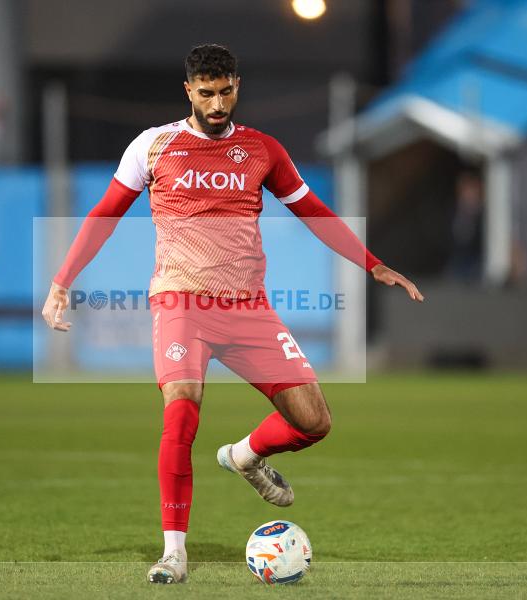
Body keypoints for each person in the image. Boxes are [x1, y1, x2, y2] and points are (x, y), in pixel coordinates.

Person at [41, 44, 423, 584]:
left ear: (236, 86)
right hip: (181, 303)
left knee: (314, 422)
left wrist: (373, 264)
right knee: (181, 412)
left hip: (248, 309)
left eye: (225, 92)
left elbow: (312, 209)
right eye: (206, 93)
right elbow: (105, 212)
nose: (217, 104)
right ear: (188, 91)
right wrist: (61, 282)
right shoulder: (153, 146)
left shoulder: (262, 149)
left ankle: (244, 455)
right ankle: (175, 552)